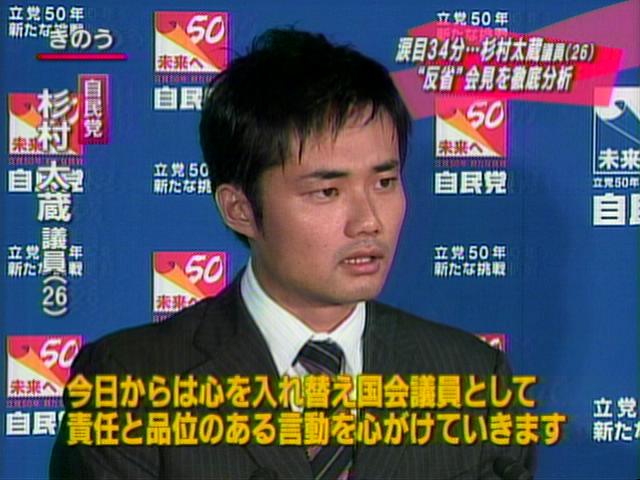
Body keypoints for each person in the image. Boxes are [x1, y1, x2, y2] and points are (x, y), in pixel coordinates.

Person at [51, 28, 535, 479]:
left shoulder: (473, 379)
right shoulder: (129, 380)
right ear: (240, 209)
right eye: (327, 192)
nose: (368, 220)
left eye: (385, 182)